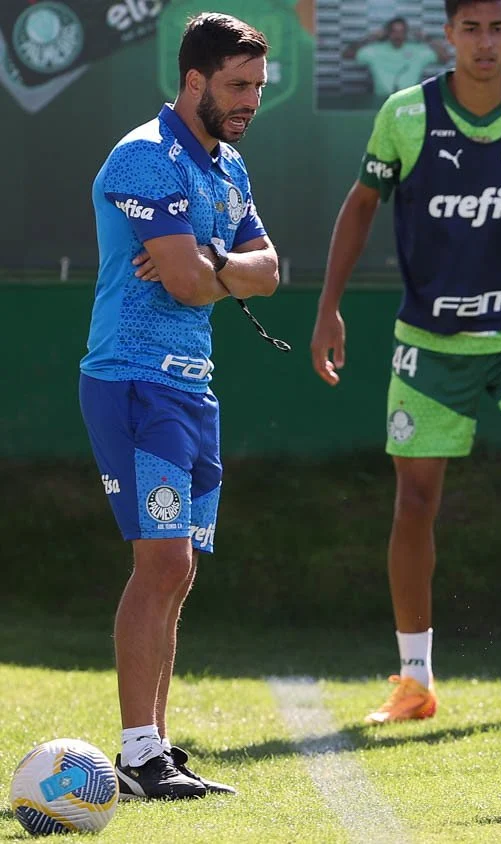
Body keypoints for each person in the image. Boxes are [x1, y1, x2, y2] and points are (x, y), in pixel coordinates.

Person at [311, 0, 501, 724]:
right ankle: (414, 679)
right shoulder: (405, 116)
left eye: (497, 27)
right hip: (430, 345)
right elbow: (360, 206)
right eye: (471, 28)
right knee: (415, 504)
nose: (485, 42)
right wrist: (328, 305)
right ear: (447, 34)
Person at [81, 12, 280, 799]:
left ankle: (154, 749)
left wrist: (213, 261)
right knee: (161, 560)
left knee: (180, 567)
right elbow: (194, 284)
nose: (250, 102)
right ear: (193, 80)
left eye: (258, 88)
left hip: (194, 388)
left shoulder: (229, 169)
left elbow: (265, 271)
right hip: (134, 382)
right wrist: (215, 272)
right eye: (236, 86)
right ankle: (137, 754)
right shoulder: (144, 159)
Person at [343, 17, 450, 97]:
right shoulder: (376, 50)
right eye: (394, 31)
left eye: (402, 31)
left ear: (407, 33)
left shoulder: (417, 50)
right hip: (382, 101)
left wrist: (427, 38)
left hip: (411, 101)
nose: (398, 35)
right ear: (387, 33)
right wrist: (371, 37)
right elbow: (347, 54)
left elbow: (445, 58)